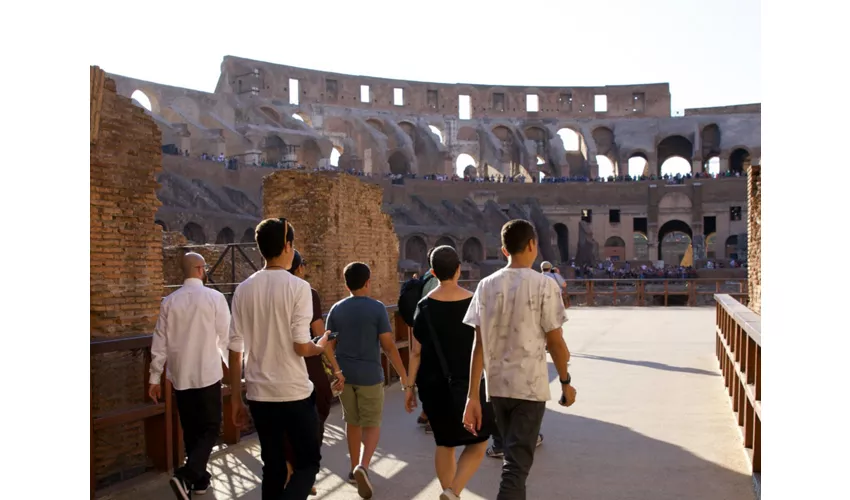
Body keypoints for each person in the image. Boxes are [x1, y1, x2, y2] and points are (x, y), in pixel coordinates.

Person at [462, 219, 578, 500]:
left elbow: (479, 344)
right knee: (516, 466)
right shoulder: (544, 286)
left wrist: (472, 397)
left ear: (504, 250)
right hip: (529, 387)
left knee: (513, 461)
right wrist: (565, 382)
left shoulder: (485, 285)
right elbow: (556, 342)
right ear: (532, 245)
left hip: (497, 388)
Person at [226, 218, 330, 499]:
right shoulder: (299, 288)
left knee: (272, 466)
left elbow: (235, 351)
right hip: (294, 391)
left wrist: (236, 398)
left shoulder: (243, 289)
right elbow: (300, 346)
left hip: (260, 394)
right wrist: (319, 347)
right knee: (308, 464)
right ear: (287, 246)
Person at [404, 246, 494, 500]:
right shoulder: (474, 300)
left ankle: (450, 493)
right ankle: (452, 491)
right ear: (458, 269)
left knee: (444, 443)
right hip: (469, 382)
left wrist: (409, 389)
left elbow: (415, 353)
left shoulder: (423, 306)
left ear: (432, 272)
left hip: (432, 384)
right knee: (478, 441)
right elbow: (485, 344)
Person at [149, 252, 231, 500]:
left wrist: (154, 378)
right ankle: (185, 476)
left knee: (192, 429)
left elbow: (159, 343)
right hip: (207, 374)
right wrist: (238, 371)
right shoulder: (215, 298)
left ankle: (199, 481)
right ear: (200, 269)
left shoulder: (169, 302)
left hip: (181, 376)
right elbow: (225, 339)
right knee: (211, 427)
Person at [327, 262, 410, 499]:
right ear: (368, 282)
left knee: (352, 422)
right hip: (370, 376)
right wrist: (403, 375)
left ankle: (354, 469)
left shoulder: (336, 309)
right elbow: (388, 346)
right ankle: (363, 465)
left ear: (346, 284)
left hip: (346, 375)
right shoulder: (377, 308)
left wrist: (336, 371)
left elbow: (329, 346)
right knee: (372, 423)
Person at [285, 249, 344, 495]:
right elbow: (320, 335)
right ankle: (303, 474)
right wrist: (335, 369)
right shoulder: (307, 293)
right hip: (306, 362)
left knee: (286, 422)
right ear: (299, 268)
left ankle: (291, 471)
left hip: (278, 365)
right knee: (317, 413)